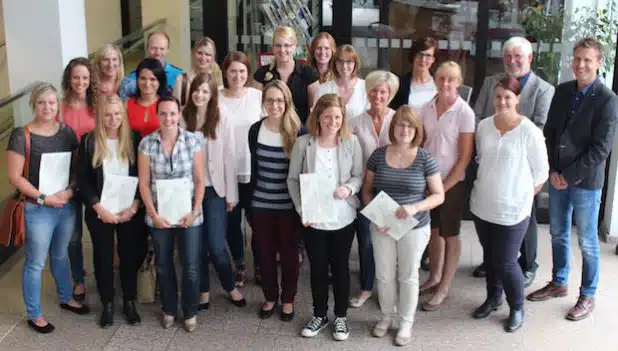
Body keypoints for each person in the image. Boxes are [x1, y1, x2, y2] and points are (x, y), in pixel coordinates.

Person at [527, 37, 618, 321]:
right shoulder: (563, 91)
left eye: (587, 60)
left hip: (585, 183)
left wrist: (568, 175)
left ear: (598, 63)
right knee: (557, 233)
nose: (580, 65)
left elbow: (601, 149)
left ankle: (587, 294)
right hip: (558, 178)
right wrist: (553, 170)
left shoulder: (608, 100)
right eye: (577, 59)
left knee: (588, 242)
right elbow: (551, 133)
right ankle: (559, 282)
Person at [6, 83, 89, 334]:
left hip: (64, 204)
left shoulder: (67, 133)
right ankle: (34, 314)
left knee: (61, 254)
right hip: (38, 208)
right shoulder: (22, 135)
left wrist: (70, 191)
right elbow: (15, 177)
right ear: (34, 104)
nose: (48, 107)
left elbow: (77, 169)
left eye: (52, 102)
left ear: (58, 104)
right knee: (35, 262)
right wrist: (44, 198)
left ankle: (66, 297)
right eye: (42, 102)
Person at [472, 36, 555, 284]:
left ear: (529, 58)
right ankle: (492, 261)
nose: (512, 60)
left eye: (518, 56)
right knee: (490, 214)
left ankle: (528, 264)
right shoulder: (490, 83)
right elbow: (477, 116)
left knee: (525, 216)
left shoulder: (544, 89)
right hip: (491, 157)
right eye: (508, 56)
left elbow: (540, 127)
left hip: (523, 167)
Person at [470, 76, 549, 332]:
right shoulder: (483, 126)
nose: (502, 101)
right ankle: (494, 298)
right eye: (498, 96)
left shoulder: (530, 132)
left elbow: (541, 173)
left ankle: (517, 307)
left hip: (514, 210)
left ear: (517, 99)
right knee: (491, 257)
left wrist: (522, 196)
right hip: (483, 205)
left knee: (506, 261)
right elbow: (482, 158)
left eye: (508, 97)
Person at [363, 105, 444, 346]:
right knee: (385, 275)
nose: (404, 129)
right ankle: (387, 316)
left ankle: (406, 322)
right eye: (400, 124)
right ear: (393, 127)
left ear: (417, 129)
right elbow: (367, 191)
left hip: (415, 226)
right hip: (382, 225)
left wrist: (415, 207)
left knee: (408, 275)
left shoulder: (424, 159)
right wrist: (376, 217)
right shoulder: (378, 155)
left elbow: (438, 195)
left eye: (410, 125)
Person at [288, 94, 363, 341]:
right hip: (314, 219)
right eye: (328, 116)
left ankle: (340, 317)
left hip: (343, 217)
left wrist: (349, 188)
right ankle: (319, 314)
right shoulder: (303, 144)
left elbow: (358, 176)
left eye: (338, 117)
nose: (333, 122)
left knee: (340, 268)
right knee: (318, 268)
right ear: (318, 116)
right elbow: (292, 180)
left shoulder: (351, 142)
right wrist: (302, 210)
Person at [137, 96, 205, 332]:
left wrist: (195, 211)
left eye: (173, 113)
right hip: (159, 216)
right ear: (157, 116)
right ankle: (168, 308)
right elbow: (144, 184)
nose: (168, 118)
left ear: (179, 115)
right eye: (164, 113)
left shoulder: (193, 141)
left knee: (191, 265)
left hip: (189, 215)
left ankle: (190, 311)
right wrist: (153, 215)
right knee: (164, 265)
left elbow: (199, 180)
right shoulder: (147, 144)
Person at [180, 73, 247, 310]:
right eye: (196, 90)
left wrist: (232, 195)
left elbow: (230, 157)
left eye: (205, 92)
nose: (199, 95)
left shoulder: (222, 117)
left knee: (217, 244)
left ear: (212, 95)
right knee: (196, 245)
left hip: (215, 189)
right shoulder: (181, 116)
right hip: (188, 191)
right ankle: (204, 291)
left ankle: (230, 286)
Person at [77, 94, 144, 328]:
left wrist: (135, 204)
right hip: (100, 210)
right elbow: (83, 180)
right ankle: (107, 303)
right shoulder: (88, 141)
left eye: (117, 114)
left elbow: (143, 175)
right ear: (100, 116)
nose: (113, 118)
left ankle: (129, 302)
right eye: (108, 114)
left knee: (128, 255)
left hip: (128, 210)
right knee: (103, 257)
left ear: (123, 115)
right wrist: (97, 207)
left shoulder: (134, 139)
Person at [418, 61, 475, 310]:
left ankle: (444, 286)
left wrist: (444, 187)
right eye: (441, 78)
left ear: (459, 82)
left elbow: (464, 158)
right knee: (433, 230)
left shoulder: (465, 113)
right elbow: (421, 144)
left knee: (450, 233)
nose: (445, 83)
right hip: (429, 180)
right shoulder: (426, 107)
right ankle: (434, 276)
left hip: (453, 183)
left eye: (451, 79)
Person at [246, 80, 302, 321]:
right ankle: (270, 296)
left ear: (287, 102)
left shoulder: (297, 131)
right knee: (264, 254)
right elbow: (253, 168)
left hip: (288, 207)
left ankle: (287, 299)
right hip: (260, 204)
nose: (275, 105)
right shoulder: (255, 130)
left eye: (279, 100)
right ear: (263, 103)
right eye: (270, 100)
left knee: (289, 255)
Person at [348, 70, 399, 308]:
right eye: (373, 90)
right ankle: (367, 287)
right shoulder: (355, 122)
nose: (377, 96)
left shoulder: (398, 119)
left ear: (390, 94)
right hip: (366, 189)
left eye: (383, 91)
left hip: (392, 190)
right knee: (367, 241)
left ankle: (389, 289)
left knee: (391, 240)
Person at [219, 51, 263, 287]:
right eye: (233, 71)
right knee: (231, 223)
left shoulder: (257, 96)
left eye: (242, 71)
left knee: (257, 223)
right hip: (227, 173)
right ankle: (239, 264)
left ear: (248, 73)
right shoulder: (216, 97)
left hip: (253, 170)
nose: (237, 75)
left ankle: (258, 264)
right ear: (225, 72)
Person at [60, 57, 98, 302]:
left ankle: (104, 271)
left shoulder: (98, 106)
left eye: (85, 77)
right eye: (76, 77)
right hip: (67, 179)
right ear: (68, 79)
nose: (80, 82)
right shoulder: (59, 107)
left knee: (97, 231)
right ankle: (78, 279)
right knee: (73, 235)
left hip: (94, 178)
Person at [254, 26, 319, 124]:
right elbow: (255, 108)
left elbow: (315, 109)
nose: (282, 50)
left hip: (300, 133)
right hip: (270, 131)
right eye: (278, 45)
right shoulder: (261, 74)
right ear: (273, 47)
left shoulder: (308, 74)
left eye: (287, 45)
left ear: (295, 47)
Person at [119, 31, 182, 100]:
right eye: (154, 48)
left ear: (168, 50)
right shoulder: (133, 78)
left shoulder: (178, 76)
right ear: (147, 49)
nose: (157, 53)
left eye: (162, 49)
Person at [314, 44, 368, 121]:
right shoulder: (323, 89)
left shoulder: (366, 87)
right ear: (335, 63)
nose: (344, 66)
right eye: (340, 61)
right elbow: (316, 119)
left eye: (349, 61)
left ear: (355, 63)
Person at [390, 36, 438, 111]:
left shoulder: (439, 84)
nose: (423, 59)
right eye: (420, 54)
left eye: (428, 55)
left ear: (433, 59)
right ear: (413, 56)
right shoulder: (400, 85)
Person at [173, 37, 223, 107]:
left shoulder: (217, 78)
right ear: (193, 53)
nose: (203, 58)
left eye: (207, 54)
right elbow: (176, 109)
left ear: (213, 57)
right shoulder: (181, 80)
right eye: (199, 53)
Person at [126, 58, 168, 137]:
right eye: (143, 78)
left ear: (160, 81)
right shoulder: (126, 105)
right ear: (137, 79)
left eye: (153, 79)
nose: (147, 83)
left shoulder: (167, 105)